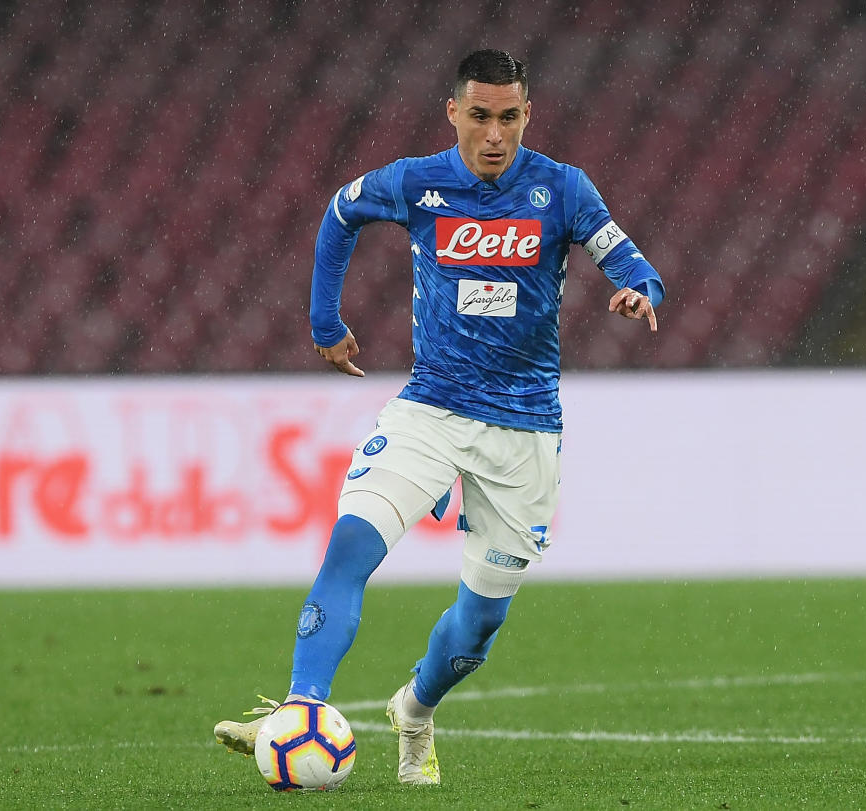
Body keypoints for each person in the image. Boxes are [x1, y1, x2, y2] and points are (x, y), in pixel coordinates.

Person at [214, 48, 663, 786]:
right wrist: (325, 319)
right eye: (480, 116)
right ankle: (301, 707)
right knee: (349, 549)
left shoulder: (563, 189)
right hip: (430, 408)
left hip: (523, 431)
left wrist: (640, 290)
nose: (495, 134)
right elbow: (340, 212)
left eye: (509, 117)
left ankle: (414, 709)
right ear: (453, 112)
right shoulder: (418, 183)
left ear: (528, 114)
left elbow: (631, 260)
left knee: (479, 626)